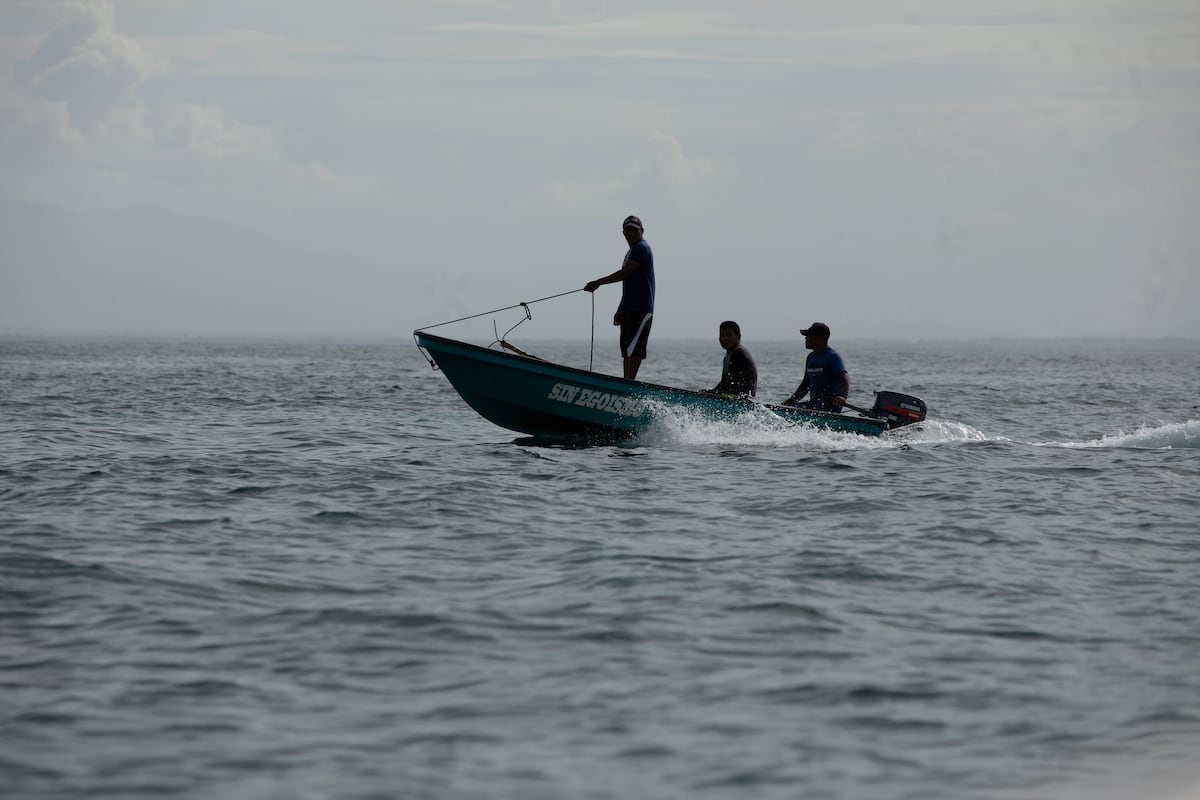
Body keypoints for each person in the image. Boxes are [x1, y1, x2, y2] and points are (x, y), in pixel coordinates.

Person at [584, 215, 655, 380]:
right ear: (623, 233)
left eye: (634, 230)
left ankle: (629, 383)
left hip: (642, 308)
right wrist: (620, 308)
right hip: (629, 308)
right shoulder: (630, 252)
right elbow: (629, 283)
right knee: (626, 348)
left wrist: (598, 282)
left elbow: (625, 273)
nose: (631, 233)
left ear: (642, 231)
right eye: (628, 230)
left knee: (635, 348)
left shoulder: (641, 248)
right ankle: (625, 382)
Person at [781, 322, 849, 411]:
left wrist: (842, 396)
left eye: (809, 336)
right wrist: (790, 401)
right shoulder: (810, 357)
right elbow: (805, 385)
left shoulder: (833, 357)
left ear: (820, 338)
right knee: (784, 409)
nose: (806, 338)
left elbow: (845, 379)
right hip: (813, 405)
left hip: (829, 408)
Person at [709, 320, 757, 398]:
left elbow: (733, 385)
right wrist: (710, 392)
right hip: (733, 398)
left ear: (738, 337)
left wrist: (712, 394)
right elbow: (723, 384)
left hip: (741, 401)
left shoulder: (738, 354)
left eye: (729, 335)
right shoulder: (728, 356)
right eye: (722, 335)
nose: (725, 338)